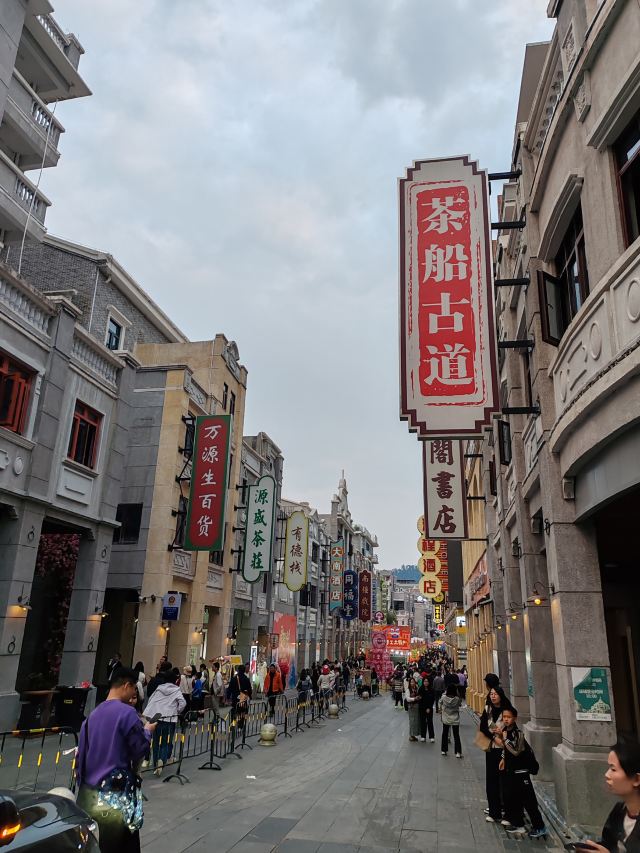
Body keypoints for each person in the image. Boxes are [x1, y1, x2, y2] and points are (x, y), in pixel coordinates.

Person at [76, 668, 155, 853]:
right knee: (123, 846)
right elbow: (139, 748)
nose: (134, 694)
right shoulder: (127, 714)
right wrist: (148, 732)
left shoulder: (91, 716)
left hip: (89, 795)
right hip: (116, 795)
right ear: (126, 685)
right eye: (133, 689)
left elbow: (81, 757)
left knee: (96, 845)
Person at [578, 736, 640, 852]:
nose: (607, 774)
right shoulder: (618, 811)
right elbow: (608, 844)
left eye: (613, 769)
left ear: (636, 779)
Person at [494, 707, 546, 838]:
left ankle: (540, 827)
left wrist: (504, 739)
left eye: (509, 717)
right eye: (504, 717)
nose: (506, 719)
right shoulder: (506, 731)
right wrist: (503, 758)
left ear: (515, 718)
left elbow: (516, 751)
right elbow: (506, 749)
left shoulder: (518, 733)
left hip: (521, 771)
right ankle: (518, 824)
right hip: (512, 771)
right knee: (514, 799)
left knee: (529, 801)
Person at [143, 667, 186, 776]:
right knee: (166, 741)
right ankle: (162, 759)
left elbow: (151, 700)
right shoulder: (176, 690)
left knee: (156, 741)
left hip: (156, 718)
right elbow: (183, 703)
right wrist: (176, 711)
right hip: (169, 718)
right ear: (175, 680)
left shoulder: (159, 689)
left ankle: (156, 764)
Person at [480, 684, 513, 823]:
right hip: (491, 748)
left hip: (505, 749)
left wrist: (502, 735)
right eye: (491, 694)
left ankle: (507, 811)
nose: (493, 696)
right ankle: (494, 812)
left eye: (495, 694)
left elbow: (512, 728)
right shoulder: (487, 709)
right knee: (492, 780)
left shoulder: (507, 710)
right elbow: (483, 727)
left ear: (501, 695)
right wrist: (494, 737)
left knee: (505, 781)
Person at [440, 683, 463, 757]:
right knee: (456, 735)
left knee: (445, 734)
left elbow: (440, 702)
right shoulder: (457, 699)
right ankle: (458, 752)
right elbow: (460, 703)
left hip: (446, 718)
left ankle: (444, 750)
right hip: (455, 718)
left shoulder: (444, 697)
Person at [418, 673, 436, 743]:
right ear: (423, 682)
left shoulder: (431, 690)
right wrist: (424, 708)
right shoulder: (420, 689)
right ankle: (423, 736)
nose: (426, 682)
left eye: (427, 681)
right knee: (423, 722)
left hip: (429, 708)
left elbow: (432, 699)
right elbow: (420, 700)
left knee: (430, 722)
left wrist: (429, 707)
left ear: (429, 682)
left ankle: (431, 736)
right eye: (425, 681)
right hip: (422, 708)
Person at [405, 674, 421, 742]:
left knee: (416, 721)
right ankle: (411, 735)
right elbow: (407, 699)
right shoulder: (408, 690)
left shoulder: (416, 689)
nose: (412, 683)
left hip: (416, 707)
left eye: (413, 682)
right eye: (411, 682)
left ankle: (414, 735)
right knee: (412, 721)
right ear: (409, 683)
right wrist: (414, 699)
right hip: (411, 707)